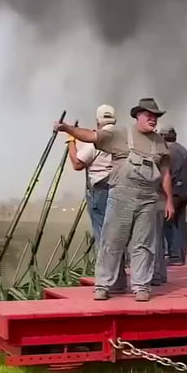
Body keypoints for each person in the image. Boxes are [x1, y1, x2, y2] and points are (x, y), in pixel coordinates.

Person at [54, 98, 174, 302]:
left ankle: (141, 286)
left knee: (143, 244)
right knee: (111, 241)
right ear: (138, 116)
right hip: (121, 196)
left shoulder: (160, 143)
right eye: (149, 115)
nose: (153, 119)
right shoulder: (120, 133)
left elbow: (164, 174)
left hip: (148, 199)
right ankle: (103, 285)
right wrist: (67, 129)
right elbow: (91, 136)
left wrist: (169, 200)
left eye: (156, 116)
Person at [66, 104, 127, 292]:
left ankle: (106, 283)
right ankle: (119, 281)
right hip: (120, 190)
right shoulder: (123, 139)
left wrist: (70, 141)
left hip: (100, 192)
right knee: (118, 237)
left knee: (103, 238)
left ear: (97, 121)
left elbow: (77, 164)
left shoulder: (95, 141)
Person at [160, 125, 187, 265]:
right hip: (184, 191)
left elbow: (168, 173)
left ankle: (174, 255)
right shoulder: (183, 150)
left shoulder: (168, 151)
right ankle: (181, 254)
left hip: (174, 192)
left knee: (168, 223)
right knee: (180, 223)